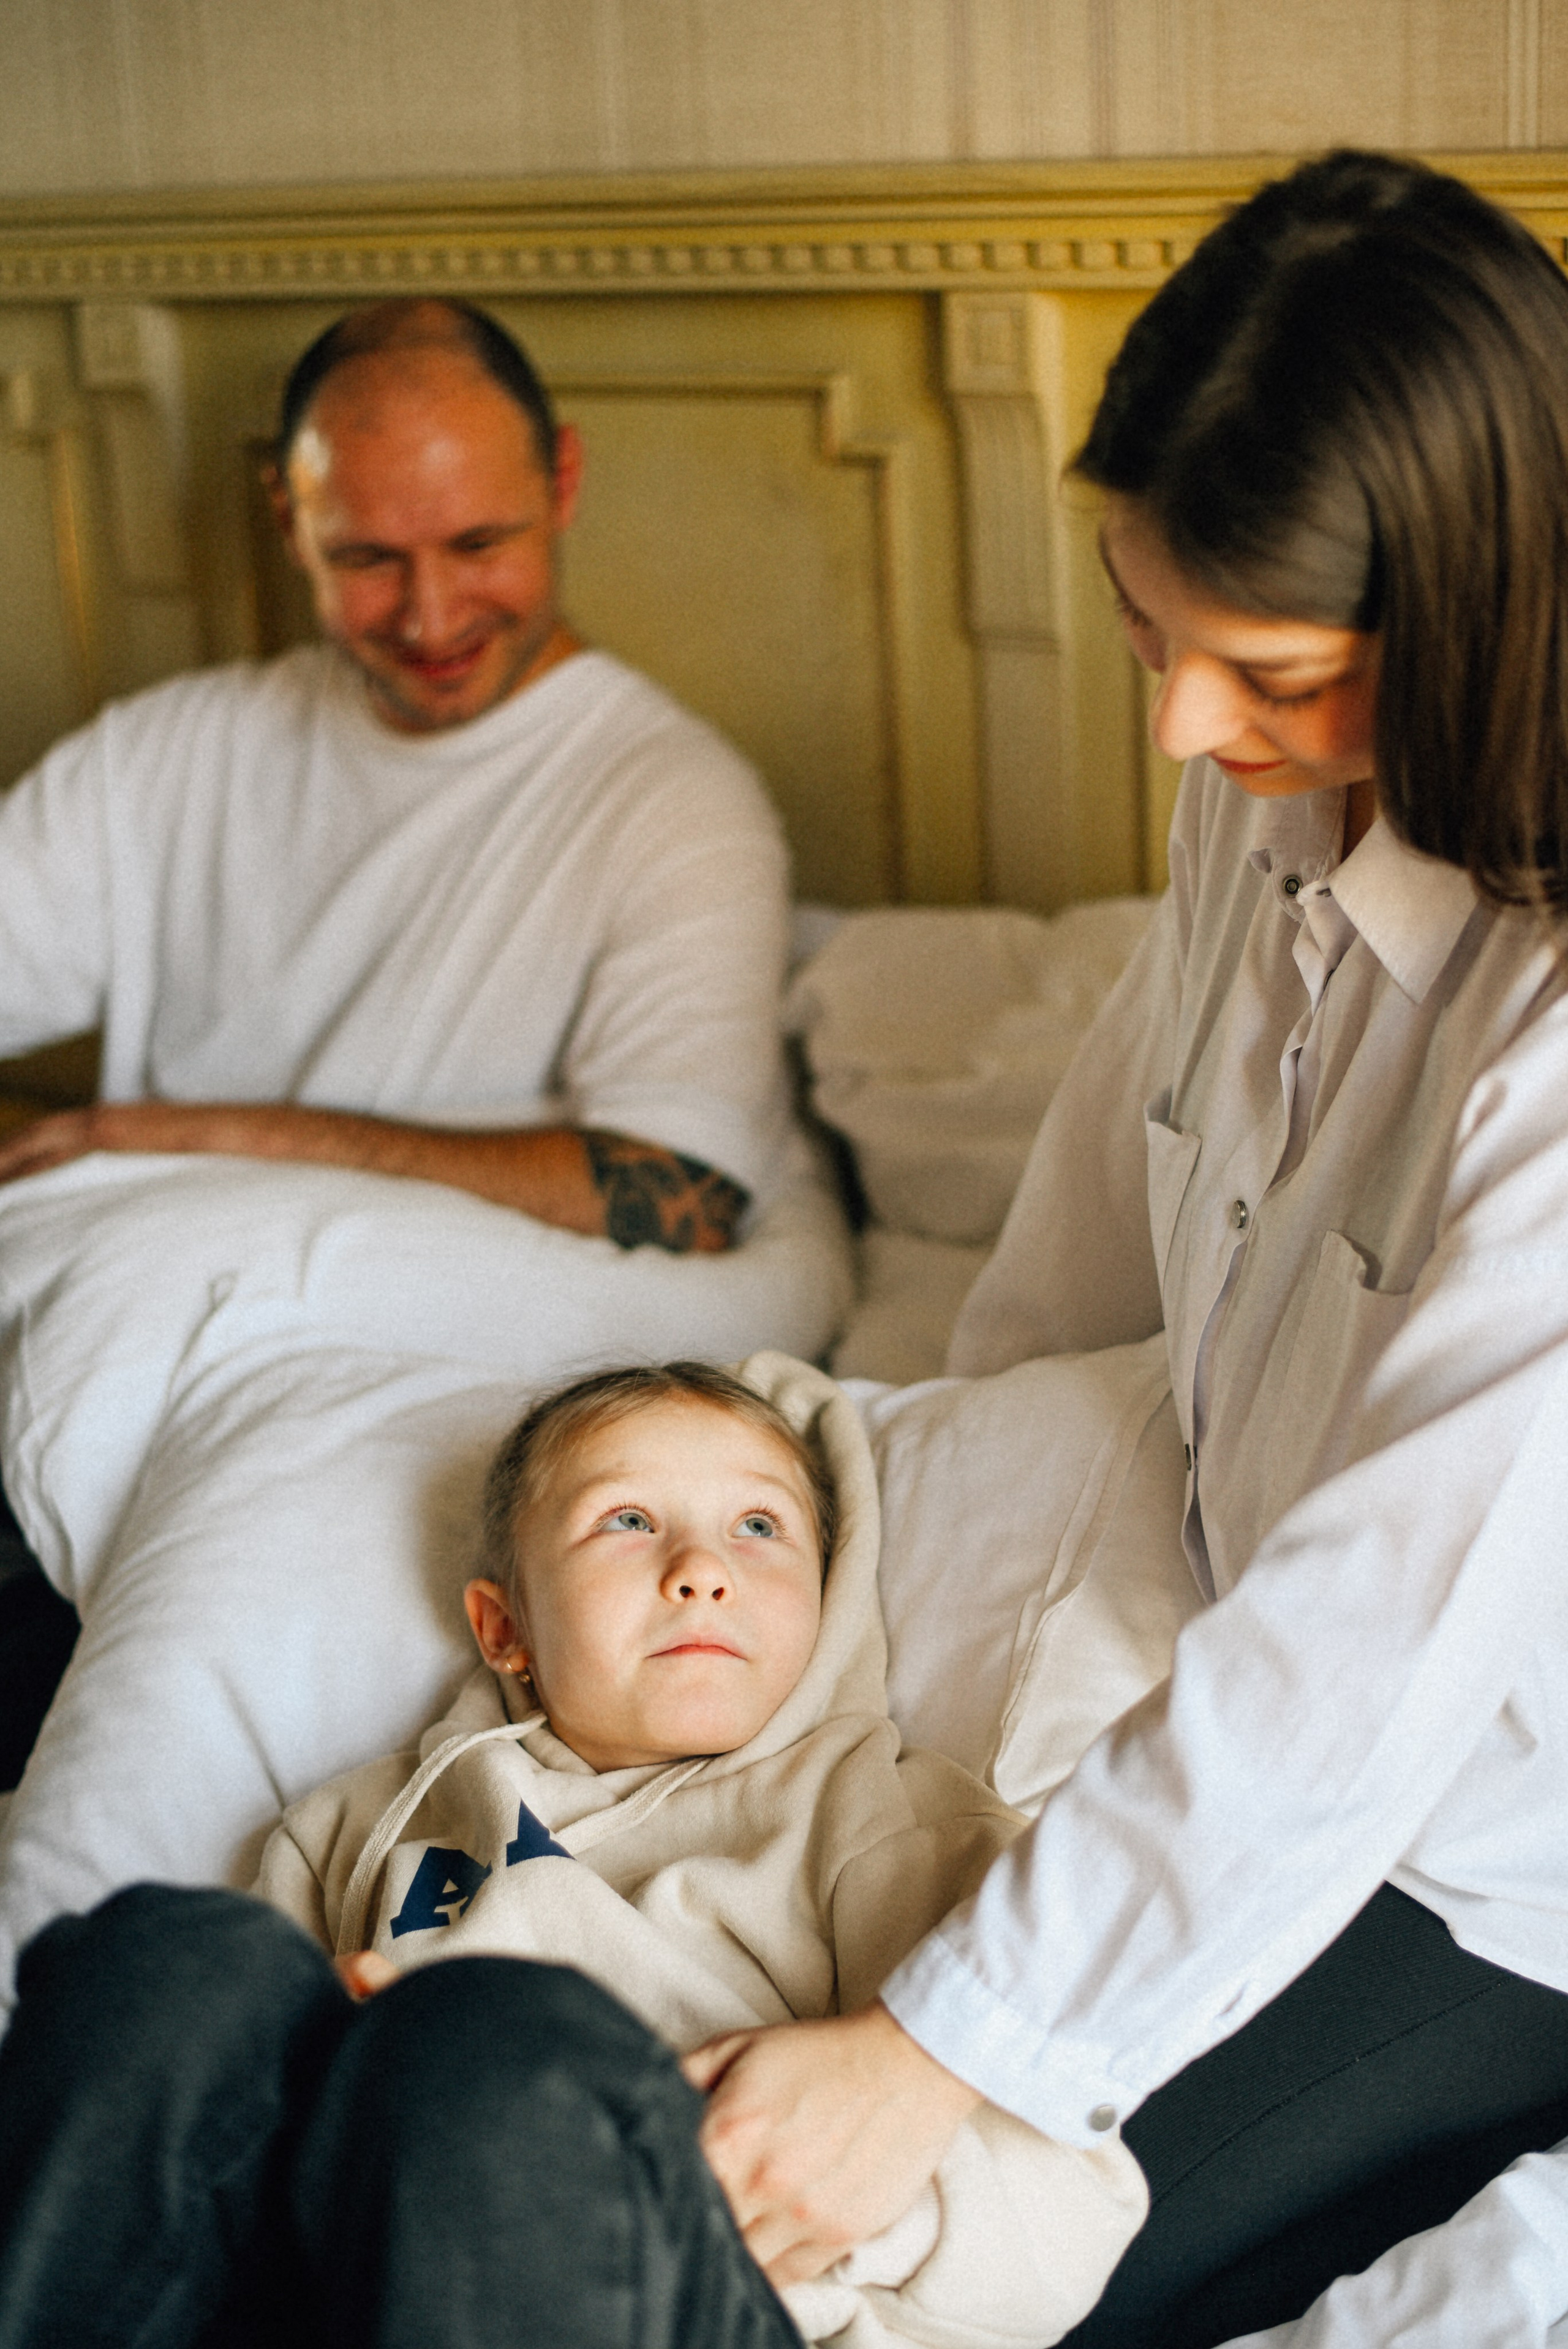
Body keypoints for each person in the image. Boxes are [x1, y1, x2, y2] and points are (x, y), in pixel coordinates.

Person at [671, 152, 1568, 2348]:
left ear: (1477, 619)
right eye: (1145, 623)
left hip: (1494, 1862)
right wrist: (893, 1632)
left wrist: (944, 2048)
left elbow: (1381, 1627)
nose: (1176, 726)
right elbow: (1087, 1248)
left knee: (901, 2264)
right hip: (1222, 1690)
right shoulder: (1250, 788)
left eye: (1260, 667)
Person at [0, 294, 835, 1790]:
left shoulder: (668, 800)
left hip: (277, 1336)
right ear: (286, 515)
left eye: (480, 547)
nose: (433, 616)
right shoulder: (168, 755)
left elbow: (681, 1187)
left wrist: (193, 1128)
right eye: (367, 560)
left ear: (563, 484)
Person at [0, 1357, 1144, 2349]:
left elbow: (1068, 2206)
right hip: (317, 2280)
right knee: (174, 1955)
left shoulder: (895, 1829)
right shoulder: (360, 1822)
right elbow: (211, 2105)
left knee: (489, 2038)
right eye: (628, 1521)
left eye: (760, 1527)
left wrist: (813, 2180)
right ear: (507, 1630)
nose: (702, 1566)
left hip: (663, 2292)